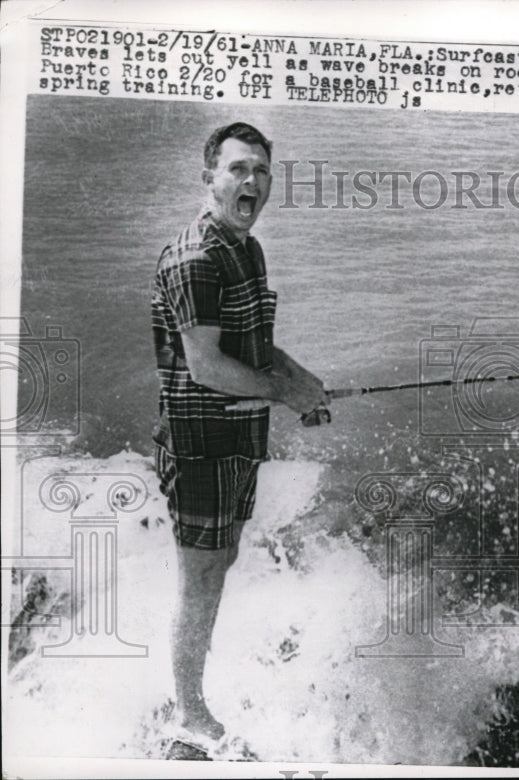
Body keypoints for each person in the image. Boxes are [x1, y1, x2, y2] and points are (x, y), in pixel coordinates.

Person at [151, 122, 327, 743]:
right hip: (200, 447)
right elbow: (207, 364)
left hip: (234, 443)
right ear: (209, 179)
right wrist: (283, 393)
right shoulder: (197, 255)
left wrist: (304, 384)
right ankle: (187, 713)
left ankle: (186, 686)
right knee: (200, 576)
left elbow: (253, 346)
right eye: (237, 169)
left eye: (261, 171)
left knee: (218, 563)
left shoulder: (245, 248)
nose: (251, 180)